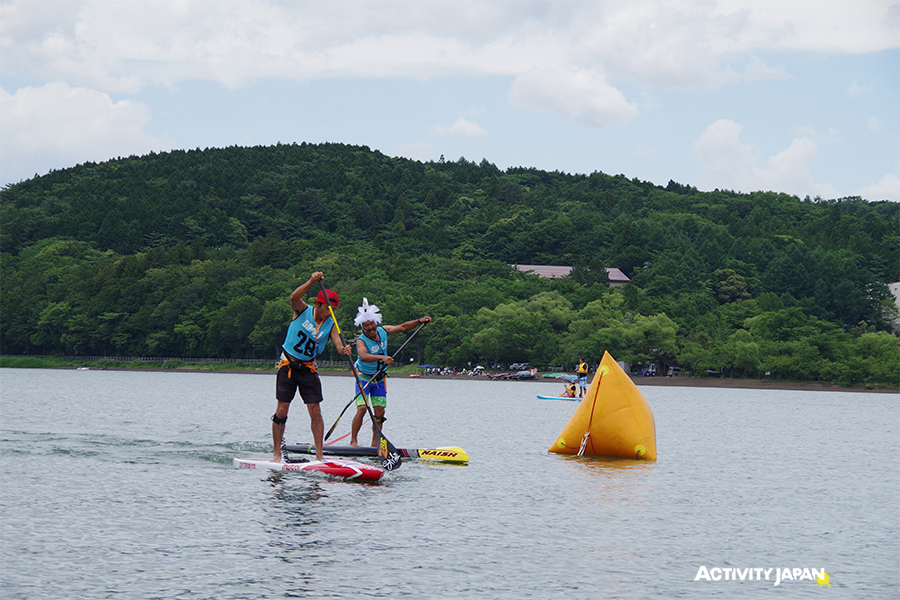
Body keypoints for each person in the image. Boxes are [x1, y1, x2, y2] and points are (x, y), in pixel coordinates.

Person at [271, 272, 352, 463]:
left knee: (315, 410)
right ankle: (276, 454)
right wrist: (311, 281)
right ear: (319, 304)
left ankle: (319, 455)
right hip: (288, 365)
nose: (330, 312)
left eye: (334, 309)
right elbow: (293, 297)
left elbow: (338, 344)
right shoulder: (302, 310)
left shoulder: (331, 324)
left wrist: (344, 349)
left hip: (309, 369)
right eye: (328, 308)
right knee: (282, 410)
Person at [349, 297, 432, 447]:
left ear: (375, 322)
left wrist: (419, 321)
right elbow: (363, 356)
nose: (370, 327)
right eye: (366, 325)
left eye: (372, 323)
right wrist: (382, 357)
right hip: (363, 377)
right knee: (362, 409)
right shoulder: (361, 340)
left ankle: (375, 444)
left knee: (380, 412)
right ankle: (354, 441)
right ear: (363, 327)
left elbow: (403, 327)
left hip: (379, 379)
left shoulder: (383, 331)